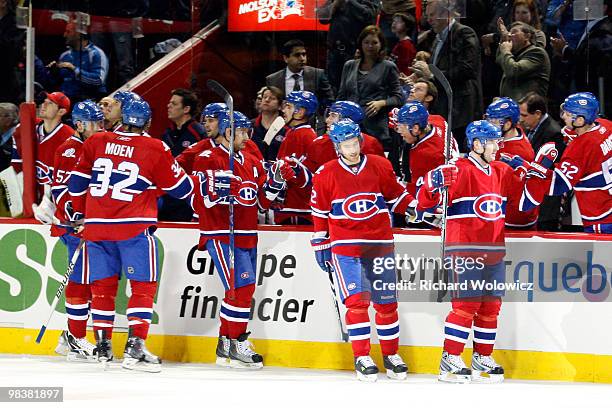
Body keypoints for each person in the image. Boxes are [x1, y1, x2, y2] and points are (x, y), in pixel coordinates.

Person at [68, 99, 195, 372]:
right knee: (143, 287)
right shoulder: (154, 147)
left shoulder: (97, 141)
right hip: (133, 227)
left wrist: (79, 214)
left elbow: (76, 184)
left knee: (102, 288)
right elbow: (181, 188)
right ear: (148, 122)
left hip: (97, 227)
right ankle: (135, 348)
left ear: (122, 118)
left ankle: (103, 347)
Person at [310, 119, 428, 382]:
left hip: (380, 244)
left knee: (386, 303)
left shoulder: (379, 165)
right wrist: (320, 242)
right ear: (337, 146)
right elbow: (319, 212)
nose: (351, 150)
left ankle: (391, 354)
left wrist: (415, 206)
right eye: (345, 145)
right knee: (357, 302)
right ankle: (362, 355)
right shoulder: (325, 173)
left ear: (360, 142)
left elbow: (396, 196)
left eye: (354, 143)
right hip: (346, 247)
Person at [417, 121, 533, 383]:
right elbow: (422, 205)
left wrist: (531, 173)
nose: (497, 147)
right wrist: (433, 184)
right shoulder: (456, 170)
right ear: (478, 144)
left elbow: (527, 203)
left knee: (491, 306)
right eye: (493, 142)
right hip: (464, 249)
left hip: (494, 250)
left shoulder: (502, 170)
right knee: (466, 304)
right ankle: (450, 359)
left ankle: (482, 357)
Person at [191, 110, 277, 369]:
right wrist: (220, 189)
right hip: (221, 233)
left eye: (247, 132)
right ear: (228, 132)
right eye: (241, 132)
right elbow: (200, 201)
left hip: (248, 232)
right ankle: (237, 342)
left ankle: (225, 342)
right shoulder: (208, 157)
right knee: (241, 288)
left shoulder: (250, 158)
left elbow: (262, 202)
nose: (246, 137)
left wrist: (278, 180)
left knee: (241, 290)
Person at [50, 101, 104, 362]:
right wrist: (77, 217)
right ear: (81, 125)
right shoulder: (70, 149)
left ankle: (70, 334)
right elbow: (60, 189)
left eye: (101, 123)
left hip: (94, 226)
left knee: (94, 280)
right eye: (94, 124)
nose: (99, 128)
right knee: (81, 279)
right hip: (74, 227)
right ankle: (76, 338)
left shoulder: (98, 146)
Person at [517, 92, 612, 233]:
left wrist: (535, 170)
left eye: (567, 114)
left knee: (602, 255)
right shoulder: (607, 125)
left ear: (580, 120)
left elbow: (559, 185)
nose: (563, 117)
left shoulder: (579, 148)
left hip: (601, 217)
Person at [416, 0, 483, 150]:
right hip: (444, 108)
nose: (429, 20)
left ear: (445, 14)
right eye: (427, 15)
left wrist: (433, 75)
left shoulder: (464, 33)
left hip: (461, 110)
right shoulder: (437, 38)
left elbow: (467, 69)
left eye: (432, 15)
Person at [338, 25, 404, 150]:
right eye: (366, 42)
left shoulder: (388, 67)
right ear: (360, 44)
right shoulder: (349, 65)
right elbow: (341, 96)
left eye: (374, 43)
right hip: (349, 129)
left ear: (381, 45)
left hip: (376, 129)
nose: (370, 46)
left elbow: (399, 97)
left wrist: (382, 103)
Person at [11, 92, 74, 222]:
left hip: (56, 208)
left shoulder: (69, 139)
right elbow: (16, 168)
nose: (43, 105)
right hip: (28, 203)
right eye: (44, 101)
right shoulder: (25, 130)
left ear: (61, 111)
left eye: (50, 103)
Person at [484, 97, 538, 229]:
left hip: (515, 219)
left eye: (494, 121)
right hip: (505, 211)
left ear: (507, 124)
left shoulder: (518, 152)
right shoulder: (513, 130)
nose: (489, 125)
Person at [270, 91, 319, 225]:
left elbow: (299, 175)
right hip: (291, 207)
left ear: (300, 112)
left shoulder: (304, 136)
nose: (283, 110)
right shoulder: (294, 132)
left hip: (296, 209)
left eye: (289, 106)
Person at [265, 39, 334, 133]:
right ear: (286, 58)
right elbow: (271, 107)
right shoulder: (273, 80)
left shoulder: (317, 74)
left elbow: (329, 102)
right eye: (297, 55)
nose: (302, 58)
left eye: (304, 54)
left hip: (313, 128)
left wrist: (322, 122)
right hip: (282, 129)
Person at [176, 103, 262, 175]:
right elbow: (174, 167)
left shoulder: (248, 144)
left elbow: (261, 172)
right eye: (205, 121)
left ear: (224, 122)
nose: (206, 125)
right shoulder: (200, 148)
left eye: (211, 120)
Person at [159, 88, 206, 221]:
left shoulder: (199, 133)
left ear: (186, 109)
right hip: (167, 192)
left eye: (174, 104)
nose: (169, 106)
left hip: (186, 196)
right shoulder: (167, 133)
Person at [395, 101, 458, 196]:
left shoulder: (425, 155)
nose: (399, 131)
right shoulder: (438, 120)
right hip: (454, 168)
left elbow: (416, 191)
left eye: (401, 127)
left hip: (447, 192)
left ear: (415, 128)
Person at [303, 100, 385, 173]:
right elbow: (309, 178)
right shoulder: (318, 144)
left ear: (348, 121)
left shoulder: (370, 144)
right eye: (329, 115)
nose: (327, 120)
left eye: (333, 116)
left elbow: (382, 174)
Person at [317, 0, 379, 94]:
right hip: (335, 52)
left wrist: (350, 1)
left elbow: (369, 16)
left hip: (357, 53)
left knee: (354, 88)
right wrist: (335, 4)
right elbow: (322, 17)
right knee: (333, 89)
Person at [53, 21, 109, 102]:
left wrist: (74, 69)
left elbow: (98, 80)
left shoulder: (96, 54)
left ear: (79, 34)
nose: (64, 35)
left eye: (68, 32)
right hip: (66, 103)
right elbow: (57, 82)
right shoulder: (64, 56)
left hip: (89, 103)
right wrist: (53, 73)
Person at [496, 22, 550, 102]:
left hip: (529, 108)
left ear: (527, 36)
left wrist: (506, 51)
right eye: (509, 33)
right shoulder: (515, 53)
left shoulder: (537, 52)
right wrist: (504, 38)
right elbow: (499, 59)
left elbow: (514, 70)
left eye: (514, 32)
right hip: (511, 106)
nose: (510, 35)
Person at [250, 86, 288, 161]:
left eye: (272, 98)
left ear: (280, 106)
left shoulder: (286, 128)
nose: (267, 100)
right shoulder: (250, 126)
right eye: (264, 97)